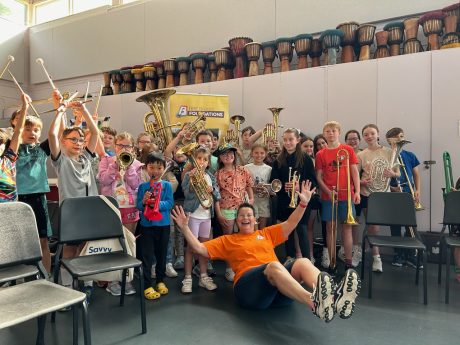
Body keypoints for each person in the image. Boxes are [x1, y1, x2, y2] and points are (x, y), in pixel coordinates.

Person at [171, 180, 361, 322]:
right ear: (237, 221)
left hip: (279, 292)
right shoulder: (228, 240)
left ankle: (334, 297)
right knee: (273, 266)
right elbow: (199, 248)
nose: (245, 218)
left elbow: (291, 223)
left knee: (302, 262)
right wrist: (185, 228)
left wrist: (303, 204)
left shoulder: (266, 233)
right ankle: (314, 303)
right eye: (241, 216)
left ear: (255, 220)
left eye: (249, 215)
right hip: (250, 292)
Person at [48, 90, 99, 302]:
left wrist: (84, 110)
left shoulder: (86, 158)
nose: (78, 143)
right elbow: (52, 135)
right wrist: (60, 110)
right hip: (71, 213)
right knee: (70, 250)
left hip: (89, 211)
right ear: (64, 141)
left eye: (80, 139)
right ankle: (67, 287)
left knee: (86, 249)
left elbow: (94, 134)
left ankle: (86, 284)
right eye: (73, 139)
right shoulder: (61, 160)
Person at [98, 131, 142, 296]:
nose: (124, 148)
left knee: (128, 243)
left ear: (132, 148)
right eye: (120, 145)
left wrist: (129, 166)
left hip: (130, 207)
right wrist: (114, 165)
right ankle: (112, 280)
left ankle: (126, 278)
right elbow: (103, 180)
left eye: (127, 146)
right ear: (115, 146)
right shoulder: (106, 160)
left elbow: (135, 183)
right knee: (112, 244)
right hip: (111, 206)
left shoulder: (137, 164)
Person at [315, 121, 360, 271]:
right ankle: (332, 261)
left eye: (333, 131)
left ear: (339, 133)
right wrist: (328, 191)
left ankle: (348, 261)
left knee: (346, 228)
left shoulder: (348, 150)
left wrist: (358, 192)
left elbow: (354, 172)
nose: (331, 133)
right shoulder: (320, 153)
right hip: (329, 197)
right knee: (330, 228)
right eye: (327, 131)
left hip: (346, 195)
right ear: (324, 133)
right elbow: (319, 177)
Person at [357, 124, 400, 273]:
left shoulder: (389, 152)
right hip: (367, 193)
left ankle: (364, 251)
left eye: (372, 133)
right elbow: (355, 176)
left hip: (383, 194)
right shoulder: (361, 154)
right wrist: (361, 182)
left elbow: (398, 173)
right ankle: (376, 257)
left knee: (373, 227)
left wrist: (392, 175)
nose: (369, 137)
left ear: (378, 134)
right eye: (366, 134)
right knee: (373, 227)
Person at [270, 128, 316, 261]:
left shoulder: (306, 159)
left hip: (301, 200)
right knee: (287, 230)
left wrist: (299, 185)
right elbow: (273, 182)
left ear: (297, 140)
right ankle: (290, 257)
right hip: (285, 200)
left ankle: (306, 260)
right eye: (285, 140)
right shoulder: (278, 160)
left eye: (291, 139)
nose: (288, 142)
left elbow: (312, 180)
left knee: (302, 229)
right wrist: (283, 185)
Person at [16, 111, 53, 274]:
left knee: (42, 240)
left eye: (36, 130)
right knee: (20, 242)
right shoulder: (11, 149)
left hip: (38, 199)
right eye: (28, 129)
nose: (32, 133)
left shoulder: (42, 149)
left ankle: (47, 278)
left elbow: (55, 134)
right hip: (18, 200)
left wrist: (59, 110)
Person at [181, 145, 221, 293]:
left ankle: (203, 277)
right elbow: (187, 194)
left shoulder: (210, 177)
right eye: (199, 158)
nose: (202, 162)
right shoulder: (188, 175)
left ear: (208, 162)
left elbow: (218, 196)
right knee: (191, 248)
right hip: (193, 215)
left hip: (206, 216)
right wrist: (192, 183)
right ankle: (187, 278)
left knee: (204, 248)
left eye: (205, 159)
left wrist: (213, 191)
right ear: (194, 160)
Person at [214, 143, 254, 281]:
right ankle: (229, 268)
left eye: (231, 153)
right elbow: (216, 196)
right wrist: (219, 213)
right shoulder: (218, 174)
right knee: (229, 239)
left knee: (246, 236)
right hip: (227, 209)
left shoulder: (243, 170)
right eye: (224, 154)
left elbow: (249, 186)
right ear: (220, 158)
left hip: (242, 208)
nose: (228, 156)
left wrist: (252, 199)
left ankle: (245, 264)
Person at [137, 153, 174, 300]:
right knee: (147, 256)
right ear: (146, 168)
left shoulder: (167, 186)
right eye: (152, 167)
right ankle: (147, 285)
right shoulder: (143, 187)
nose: (155, 171)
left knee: (161, 254)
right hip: (147, 225)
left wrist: (156, 203)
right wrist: (145, 202)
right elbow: (138, 206)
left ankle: (160, 280)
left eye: (159, 168)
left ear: (164, 169)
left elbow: (170, 203)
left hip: (163, 225)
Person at [385, 127, 422, 269]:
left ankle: (411, 255)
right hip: (393, 194)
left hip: (408, 193)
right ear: (390, 142)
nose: (401, 140)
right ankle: (398, 253)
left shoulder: (410, 155)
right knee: (395, 226)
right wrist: (391, 188)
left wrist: (417, 190)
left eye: (401, 136)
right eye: (397, 138)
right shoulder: (388, 155)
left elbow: (416, 175)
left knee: (410, 226)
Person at [0, 93, 28, 202]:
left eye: (1, 144)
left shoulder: (9, 159)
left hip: (12, 208)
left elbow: (18, 131)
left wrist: (25, 106)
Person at [343, 129, 363, 267]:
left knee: (357, 223)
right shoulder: (344, 154)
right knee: (351, 224)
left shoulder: (362, 154)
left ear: (359, 140)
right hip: (349, 193)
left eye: (355, 138)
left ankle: (357, 249)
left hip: (361, 192)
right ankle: (352, 249)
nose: (353, 141)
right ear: (346, 141)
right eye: (350, 139)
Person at [245, 144, 272, 230]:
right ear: (252, 153)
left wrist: (265, 190)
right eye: (256, 153)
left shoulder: (269, 169)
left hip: (264, 201)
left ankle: (261, 242)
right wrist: (252, 189)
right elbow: (243, 184)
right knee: (252, 227)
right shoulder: (246, 168)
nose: (259, 155)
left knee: (262, 228)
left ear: (266, 154)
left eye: (262, 153)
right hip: (251, 200)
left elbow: (271, 186)